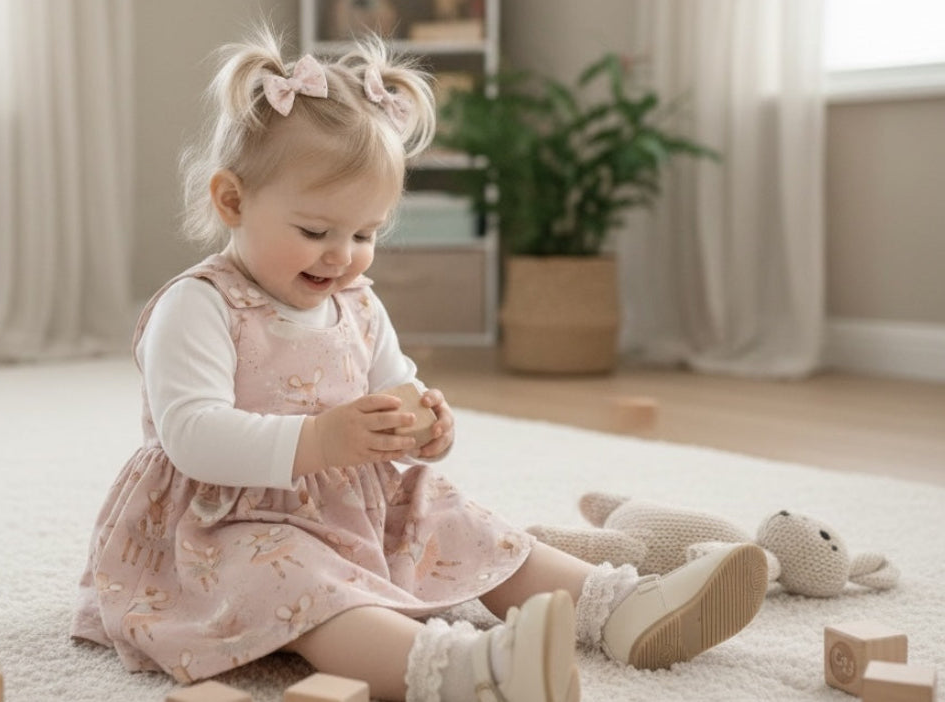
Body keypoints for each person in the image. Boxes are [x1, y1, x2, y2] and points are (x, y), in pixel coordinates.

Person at [71, 28, 768, 702]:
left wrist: (423, 423)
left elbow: (392, 384)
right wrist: (318, 441)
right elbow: (193, 436)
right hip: (224, 528)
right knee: (303, 585)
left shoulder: (359, 303)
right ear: (232, 201)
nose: (342, 255)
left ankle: (617, 607)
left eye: (366, 233)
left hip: (349, 501)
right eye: (315, 231)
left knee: (449, 513)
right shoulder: (199, 306)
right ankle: (461, 672)